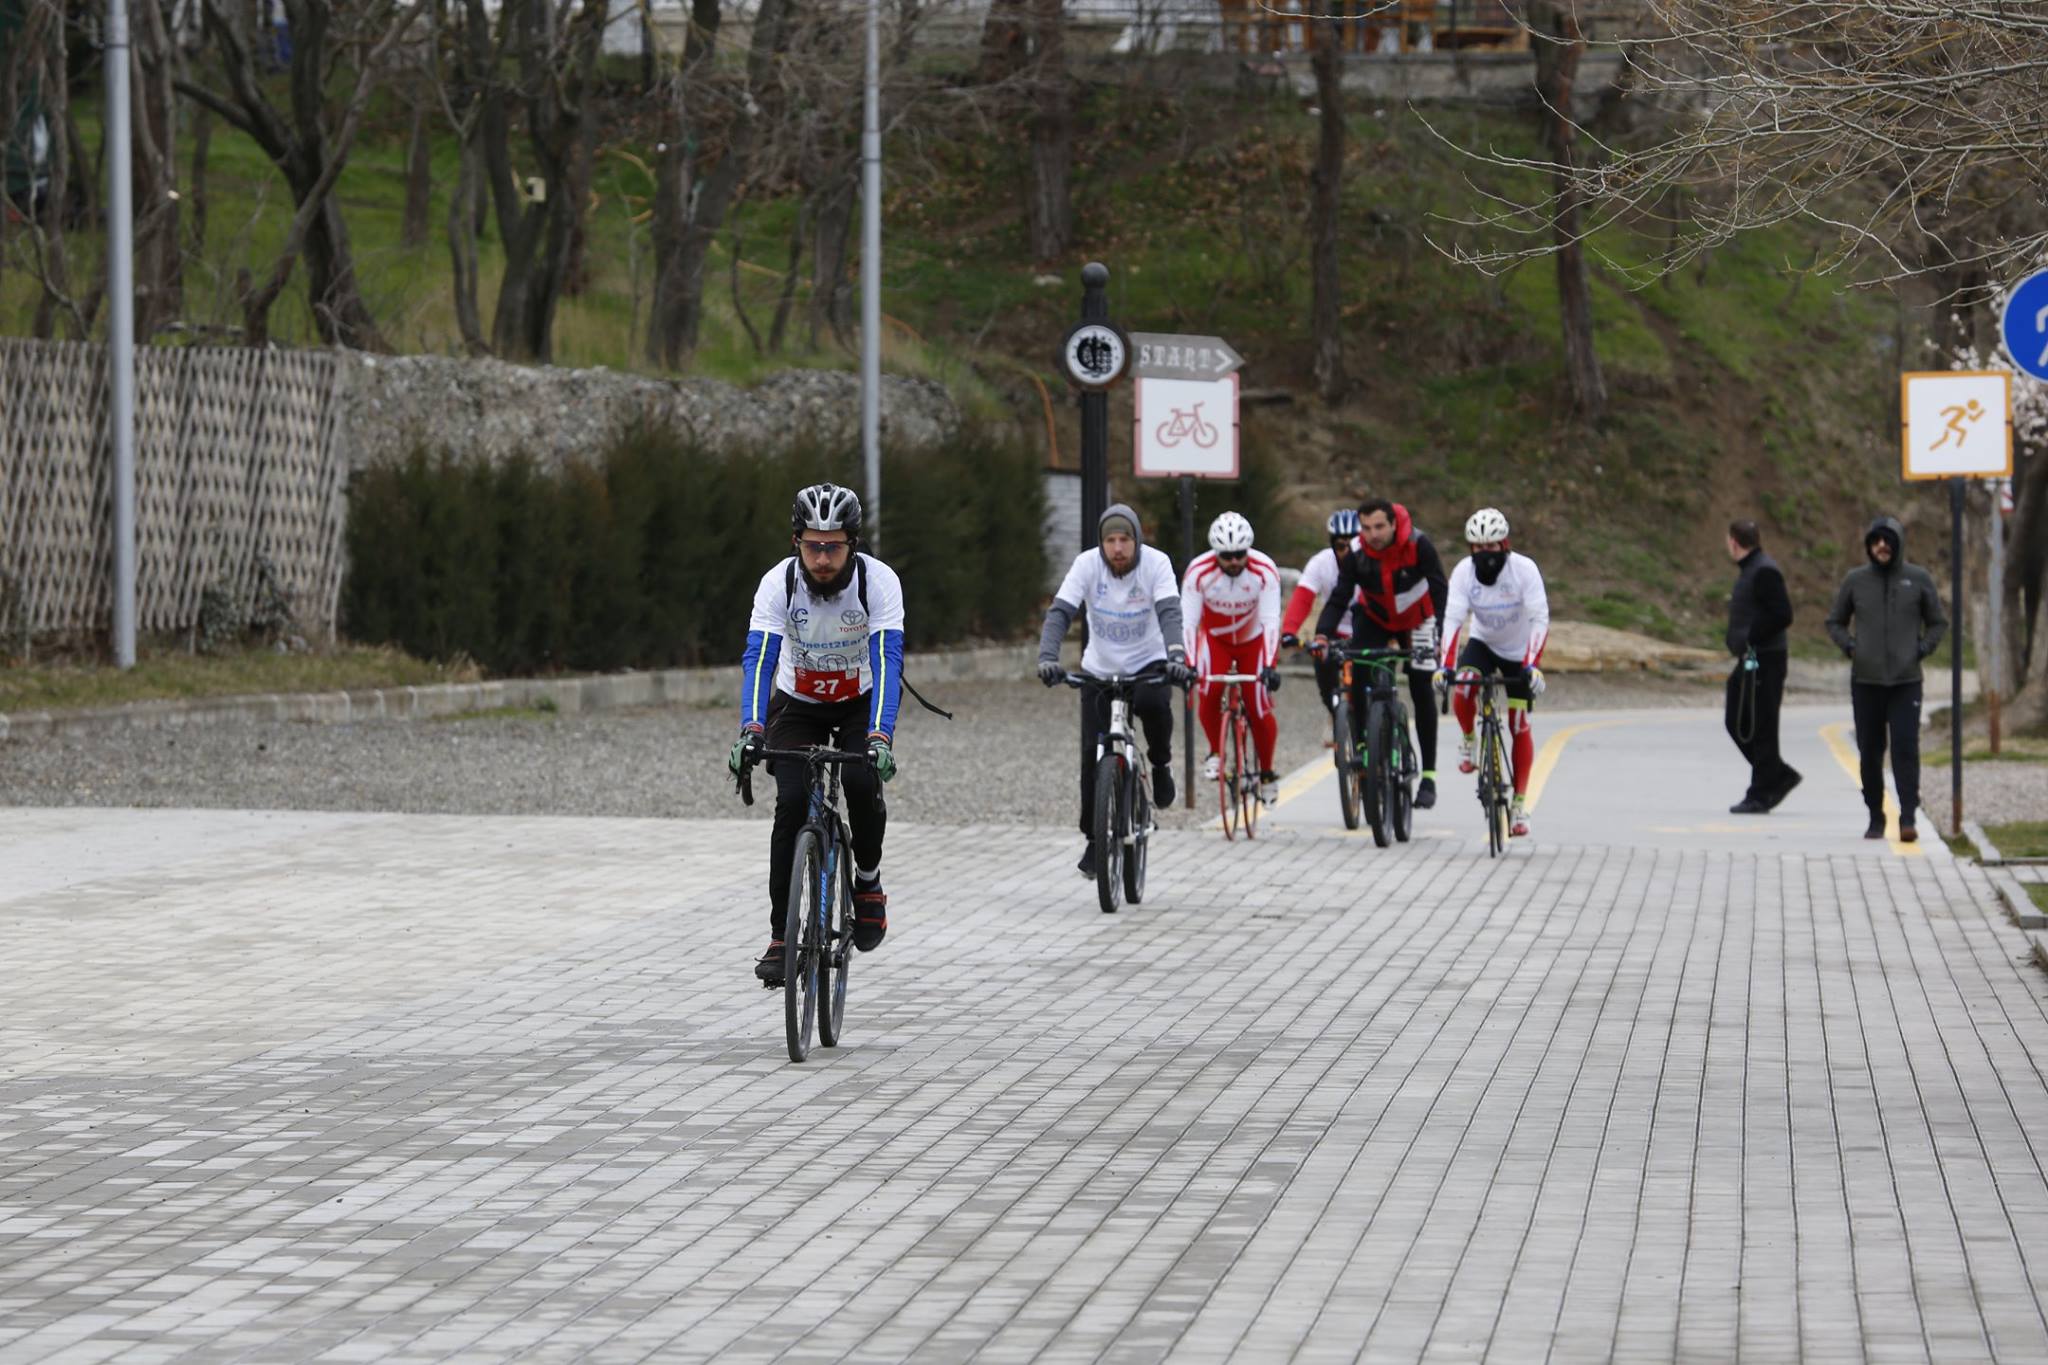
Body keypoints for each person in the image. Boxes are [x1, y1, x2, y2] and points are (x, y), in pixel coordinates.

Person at [728, 483, 902, 984]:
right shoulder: (777, 584)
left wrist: (880, 736)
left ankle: (867, 881)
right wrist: (751, 729)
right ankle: (782, 935)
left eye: (833, 547)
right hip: (798, 703)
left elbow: (888, 660)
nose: (822, 558)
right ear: (796, 543)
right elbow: (759, 658)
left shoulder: (878, 583)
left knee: (862, 783)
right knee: (789, 804)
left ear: (853, 545)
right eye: (812, 546)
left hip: (859, 701)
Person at [1037, 503, 1196, 878]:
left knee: (1155, 704)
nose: (1118, 548)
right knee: (1091, 757)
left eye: (1125, 539)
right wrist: (1047, 657)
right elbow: (1060, 612)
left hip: (1148, 661)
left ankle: (1160, 764)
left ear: (1137, 540)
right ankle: (1095, 840)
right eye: (1111, 541)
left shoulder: (1156, 564)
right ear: (1101, 543)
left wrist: (1176, 655)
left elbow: (1170, 612)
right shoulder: (1086, 565)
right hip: (1100, 668)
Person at [1308, 498, 1450, 809]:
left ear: (1394, 524)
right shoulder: (1356, 553)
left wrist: (1440, 633)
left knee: (1421, 686)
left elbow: (1440, 589)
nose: (1373, 535)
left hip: (1417, 618)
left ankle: (1428, 777)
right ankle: (1363, 744)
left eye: (1379, 527)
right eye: (1366, 528)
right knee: (1358, 669)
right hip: (1375, 616)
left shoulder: (1419, 545)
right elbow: (1339, 597)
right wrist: (1322, 634)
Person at [1825, 514, 1948, 843]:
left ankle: (1908, 817)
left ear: (1898, 545)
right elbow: (1835, 621)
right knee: (1870, 751)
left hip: (1906, 681)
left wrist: (1921, 649)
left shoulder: (1917, 578)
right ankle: (1875, 816)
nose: (1882, 546)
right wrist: (1851, 647)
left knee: (1905, 748)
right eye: (1876, 541)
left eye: (1888, 541)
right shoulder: (1855, 580)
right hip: (1866, 682)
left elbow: (1937, 622)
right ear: (1869, 546)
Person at [1436, 507, 1549, 837]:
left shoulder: (1524, 570)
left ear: (1504, 545)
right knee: (1464, 683)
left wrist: (1532, 665)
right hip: (1483, 643)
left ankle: (1519, 806)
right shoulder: (1463, 572)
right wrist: (1445, 666)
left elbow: (1539, 618)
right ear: (1471, 548)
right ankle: (1469, 739)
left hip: (1519, 651)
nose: (1485, 553)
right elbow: (1453, 620)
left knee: (1519, 723)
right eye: (1478, 547)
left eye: (1491, 546)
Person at [1182, 511, 1284, 805]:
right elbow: (1188, 621)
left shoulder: (1264, 570)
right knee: (1208, 689)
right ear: (1216, 553)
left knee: (1258, 705)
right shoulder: (1198, 571)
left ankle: (1267, 773)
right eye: (1227, 556)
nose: (1235, 561)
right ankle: (1216, 751)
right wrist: (1189, 664)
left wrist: (1269, 665)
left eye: (1240, 554)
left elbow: (1271, 620)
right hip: (1216, 640)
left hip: (1253, 642)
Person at [1724, 518, 1800, 814]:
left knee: (1761, 725)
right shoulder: (1752, 569)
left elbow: (1783, 614)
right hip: (1752, 659)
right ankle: (1775, 776)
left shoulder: (1764, 570)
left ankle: (1761, 791)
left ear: (1733, 542)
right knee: (1738, 721)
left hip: (1766, 659)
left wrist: (1750, 636)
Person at [1281, 508, 1363, 726]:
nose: (1347, 552)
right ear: (1332, 545)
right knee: (1322, 659)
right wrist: (1289, 630)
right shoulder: (1321, 563)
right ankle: (1334, 712)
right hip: (1334, 628)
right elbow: (1302, 598)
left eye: (1353, 546)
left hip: (1367, 628)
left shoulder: (1372, 561)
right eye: (1340, 546)